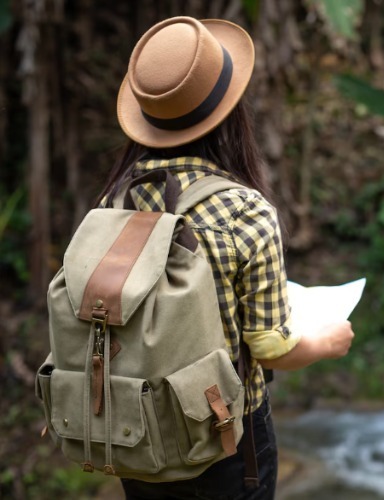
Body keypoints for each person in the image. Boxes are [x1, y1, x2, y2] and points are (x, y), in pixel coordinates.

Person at [93, 16, 355, 499]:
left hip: (137, 431)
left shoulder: (116, 199)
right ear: (232, 113)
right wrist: (328, 341)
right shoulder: (244, 209)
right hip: (228, 440)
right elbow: (270, 347)